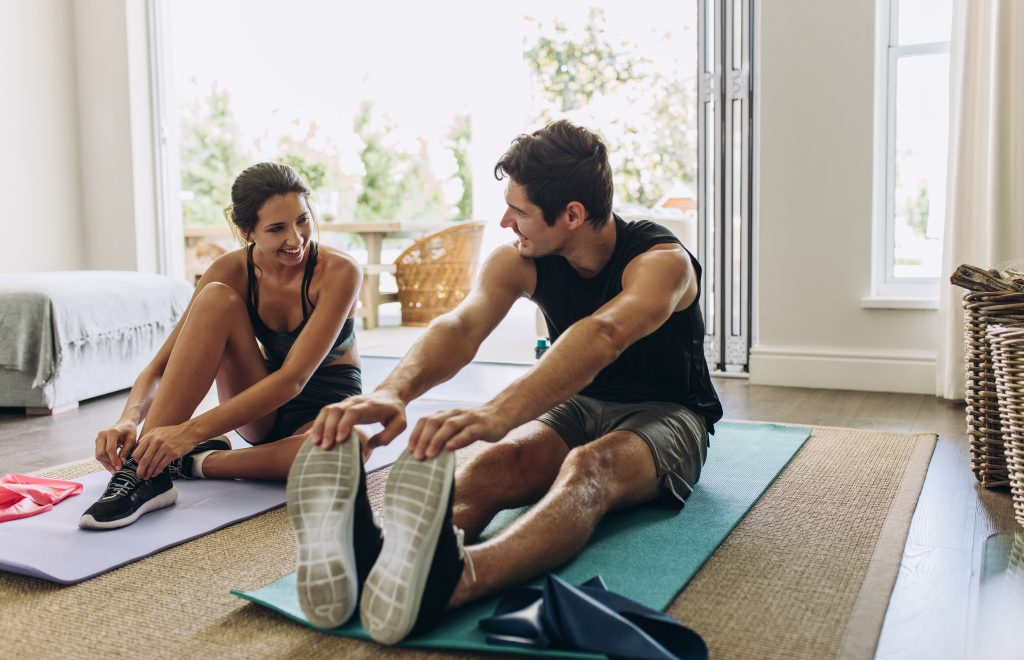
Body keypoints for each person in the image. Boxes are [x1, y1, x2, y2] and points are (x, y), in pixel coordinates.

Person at [285, 120, 723, 642]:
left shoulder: (663, 263)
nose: (505, 220)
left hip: (669, 414)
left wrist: (498, 412)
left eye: (519, 210)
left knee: (590, 468)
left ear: (572, 215)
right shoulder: (523, 259)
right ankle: (378, 557)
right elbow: (461, 326)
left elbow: (604, 334)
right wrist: (392, 392)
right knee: (497, 463)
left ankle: (456, 581)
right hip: (581, 403)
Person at [79, 162, 364, 530]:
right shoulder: (231, 270)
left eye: (302, 220)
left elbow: (293, 380)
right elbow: (162, 365)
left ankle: (191, 462)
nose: (295, 239)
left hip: (324, 407)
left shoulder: (340, 271)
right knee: (215, 298)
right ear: (247, 231)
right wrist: (128, 419)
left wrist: (188, 435)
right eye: (276, 229)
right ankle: (143, 473)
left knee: (347, 451)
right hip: (260, 405)